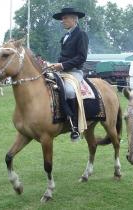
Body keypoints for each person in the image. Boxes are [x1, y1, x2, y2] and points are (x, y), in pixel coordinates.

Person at [52, 7, 89, 142]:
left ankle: (74, 126)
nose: (63, 21)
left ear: (74, 19)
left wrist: (62, 65)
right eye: (62, 18)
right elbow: (63, 57)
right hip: (61, 71)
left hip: (75, 72)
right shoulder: (65, 37)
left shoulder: (82, 35)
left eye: (65, 18)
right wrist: (54, 65)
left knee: (68, 91)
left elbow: (81, 57)